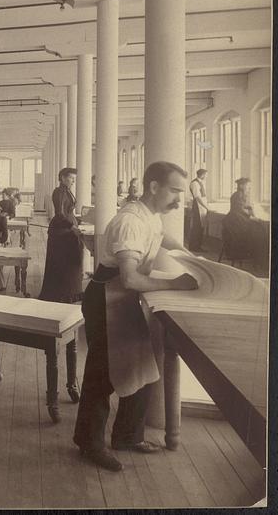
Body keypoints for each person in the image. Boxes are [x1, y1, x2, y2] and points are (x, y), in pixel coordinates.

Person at [73, 161, 198, 472]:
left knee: (141, 367)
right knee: (103, 374)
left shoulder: (150, 216)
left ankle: (127, 435)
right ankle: (89, 443)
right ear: (154, 187)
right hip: (107, 296)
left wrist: (193, 259)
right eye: (175, 191)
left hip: (122, 298)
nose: (179, 199)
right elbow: (129, 278)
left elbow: (163, 239)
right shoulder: (130, 221)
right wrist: (175, 284)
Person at [39, 167, 83, 304]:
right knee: (63, 263)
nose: (73, 181)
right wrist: (72, 226)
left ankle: (70, 292)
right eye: (71, 178)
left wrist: (78, 221)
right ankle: (61, 294)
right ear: (62, 178)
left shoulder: (67, 191)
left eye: (74, 178)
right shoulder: (59, 192)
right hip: (61, 231)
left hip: (68, 229)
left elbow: (68, 212)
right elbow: (60, 215)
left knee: (70, 263)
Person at [222, 177, 268, 262]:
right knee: (255, 229)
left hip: (238, 217)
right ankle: (252, 255)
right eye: (248, 186)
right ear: (241, 186)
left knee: (257, 227)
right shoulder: (237, 195)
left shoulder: (242, 195)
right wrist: (251, 217)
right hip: (234, 219)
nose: (249, 188)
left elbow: (244, 206)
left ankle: (253, 254)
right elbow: (239, 209)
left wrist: (252, 210)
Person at [187, 169, 209, 251]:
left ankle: (198, 246)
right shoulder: (194, 183)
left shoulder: (201, 183)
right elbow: (197, 197)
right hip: (198, 207)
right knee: (196, 227)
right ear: (202, 175)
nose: (206, 177)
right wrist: (206, 207)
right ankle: (194, 247)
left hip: (202, 207)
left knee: (200, 228)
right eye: (206, 175)